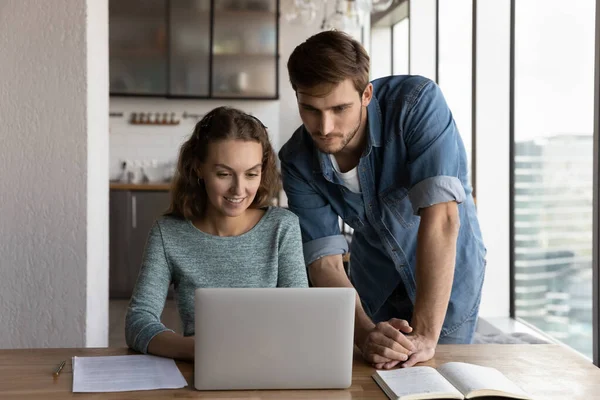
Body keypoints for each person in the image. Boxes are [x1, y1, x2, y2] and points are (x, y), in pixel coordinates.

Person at [279, 30, 486, 369]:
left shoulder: (417, 104)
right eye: (310, 109)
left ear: (366, 94)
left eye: (339, 108)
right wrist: (364, 334)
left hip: (445, 279)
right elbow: (324, 262)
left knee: (436, 378)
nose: (325, 126)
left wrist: (427, 336)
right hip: (373, 283)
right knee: (374, 376)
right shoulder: (296, 159)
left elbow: (442, 219)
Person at [126, 106, 309, 360]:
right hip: (199, 371)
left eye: (251, 174)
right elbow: (138, 320)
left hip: (271, 368)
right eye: (224, 174)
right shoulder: (168, 234)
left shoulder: (282, 228)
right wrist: (196, 350)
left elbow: (299, 317)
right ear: (199, 169)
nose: (239, 189)